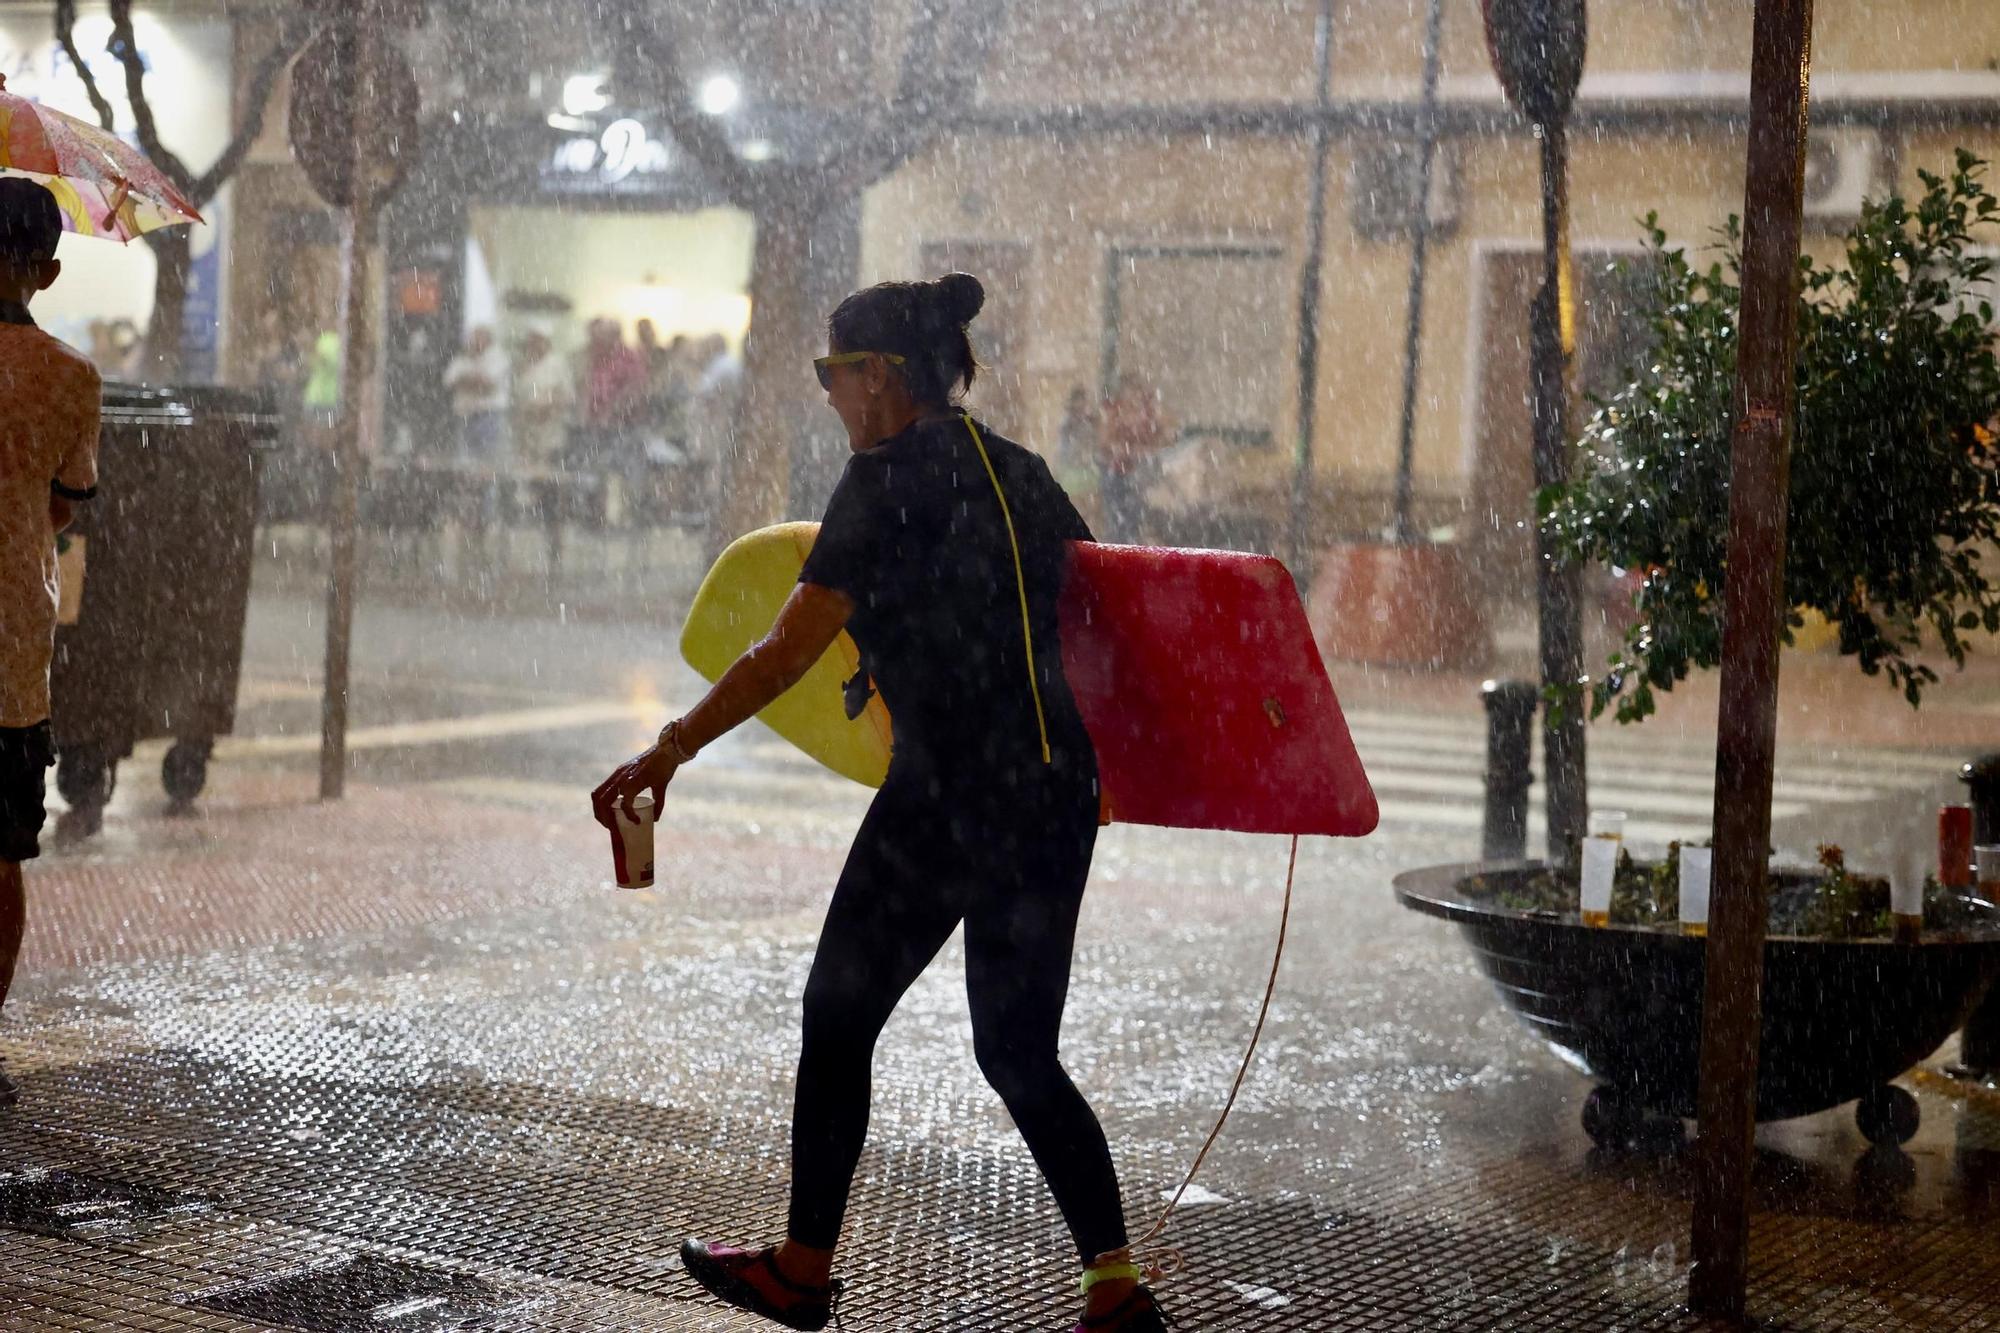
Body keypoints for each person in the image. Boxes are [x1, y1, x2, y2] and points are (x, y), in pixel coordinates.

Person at [593, 273, 1171, 1333]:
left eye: (831, 373)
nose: (825, 394)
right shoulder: (1018, 472)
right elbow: (1102, 609)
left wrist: (670, 749)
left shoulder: (882, 477)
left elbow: (783, 652)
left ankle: (802, 1268)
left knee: (838, 1011)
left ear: (880, 377)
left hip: (948, 792)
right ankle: (1113, 1283)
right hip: (1048, 790)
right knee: (1017, 1051)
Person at [0, 179, 102, 1107]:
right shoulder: (71, 377)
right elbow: (68, 507)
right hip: (11, 652)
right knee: (0, 854)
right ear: (51, 269)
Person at [1097, 373, 1170, 544]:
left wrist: (1142, 450)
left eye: (1138, 391)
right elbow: (1106, 443)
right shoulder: (1115, 412)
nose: (1135, 396)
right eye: (1132, 391)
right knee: (1119, 523)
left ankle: (1127, 549)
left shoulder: (1147, 413)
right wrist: (1128, 450)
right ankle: (1119, 553)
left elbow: (1164, 436)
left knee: (1132, 520)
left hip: (1136, 476)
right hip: (1117, 474)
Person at [443, 325, 509, 462]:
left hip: (488, 415)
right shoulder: (462, 359)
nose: (474, 341)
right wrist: (472, 380)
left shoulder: (498, 358)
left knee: (486, 459)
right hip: (465, 415)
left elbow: (487, 384)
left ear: (488, 340)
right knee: (464, 458)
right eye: (472, 338)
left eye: (478, 338)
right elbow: (449, 382)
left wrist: (464, 380)